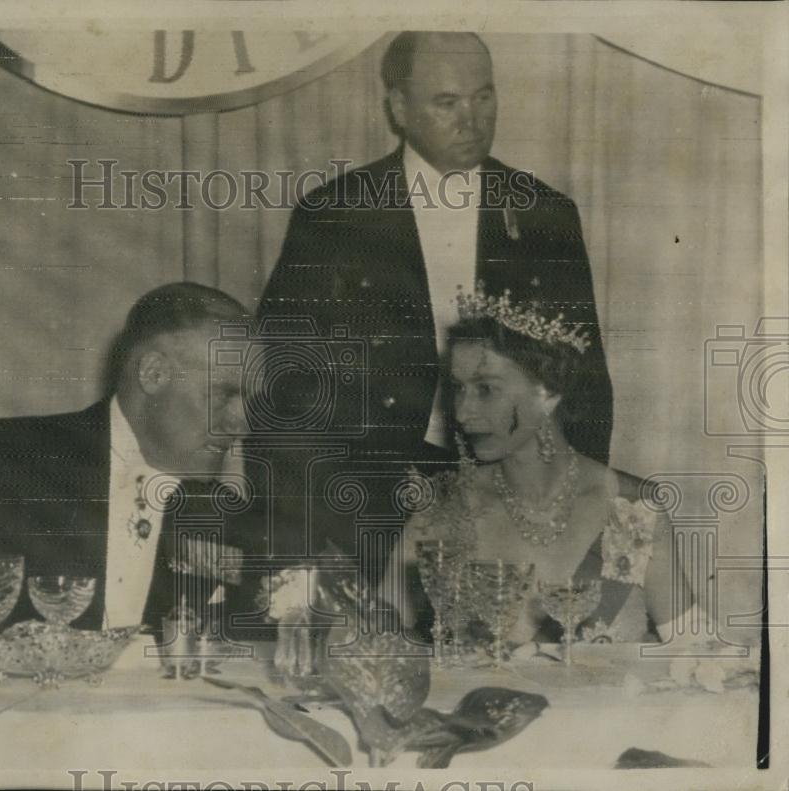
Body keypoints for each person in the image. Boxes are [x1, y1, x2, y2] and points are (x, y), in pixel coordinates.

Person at [259, 31, 613, 468]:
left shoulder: (545, 214)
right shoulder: (334, 216)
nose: (472, 121)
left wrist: (579, 505)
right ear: (400, 108)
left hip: (510, 488)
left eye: (483, 98)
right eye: (447, 103)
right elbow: (285, 378)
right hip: (373, 486)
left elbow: (585, 383)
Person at [0, 282, 270, 643]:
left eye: (250, 400)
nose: (245, 424)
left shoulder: (228, 510)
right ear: (153, 374)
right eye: (224, 394)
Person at [382, 290, 691, 646]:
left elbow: (695, 652)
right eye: (457, 388)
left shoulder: (633, 508)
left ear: (548, 393)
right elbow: (373, 643)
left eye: (485, 389)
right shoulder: (441, 508)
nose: (463, 411)